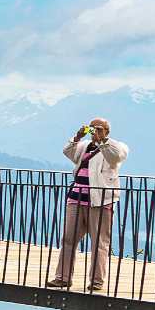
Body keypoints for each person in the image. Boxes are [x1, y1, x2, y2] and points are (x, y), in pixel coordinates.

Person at [47, 118, 128, 291]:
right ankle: (62, 278)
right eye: (92, 128)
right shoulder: (84, 146)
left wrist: (103, 141)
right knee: (68, 239)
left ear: (107, 131)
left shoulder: (116, 147)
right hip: (76, 198)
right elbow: (68, 152)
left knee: (99, 242)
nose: (94, 131)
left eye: (99, 128)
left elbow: (116, 157)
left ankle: (97, 281)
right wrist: (77, 137)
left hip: (100, 201)